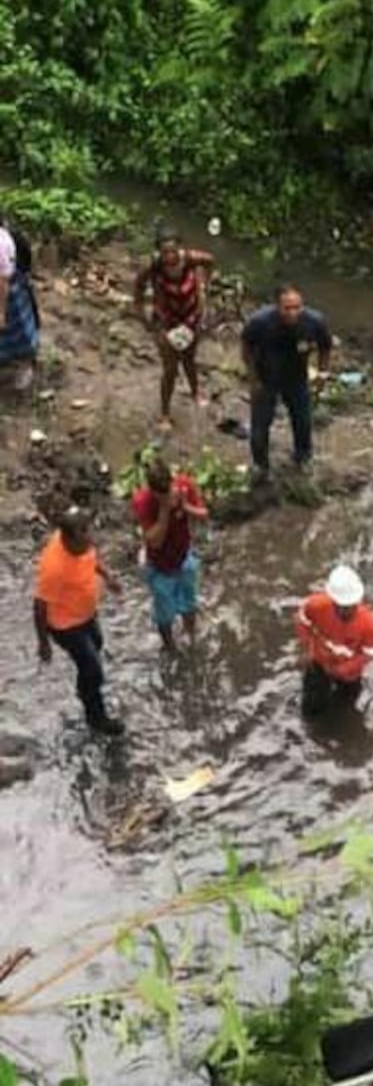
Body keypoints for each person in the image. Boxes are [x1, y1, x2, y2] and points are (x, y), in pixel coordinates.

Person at [34, 508, 124, 736]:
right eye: (83, 533)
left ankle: (85, 687)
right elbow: (40, 606)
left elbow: (91, 558)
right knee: (93, 669)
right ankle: (97, 718)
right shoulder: (54, 568)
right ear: (68, 538)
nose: (89, 537)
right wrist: (44, 644)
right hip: (65, 625)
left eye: (88, 530)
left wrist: (107, 576)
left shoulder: (82, 543)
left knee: (97, 643)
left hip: (86, 613)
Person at [241, 284, 332, 477]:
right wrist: (253, 378)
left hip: (296, 378)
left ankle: (303, 458)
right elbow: (246, 348)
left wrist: (323, 374)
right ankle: (260, 465)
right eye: (287, 308)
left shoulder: (314, 321)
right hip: (266, 378)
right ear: (276, 306)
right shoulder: (260, 322)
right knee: (260, 426)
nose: (293, 313)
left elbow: (325, 347)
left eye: (297, 307)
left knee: (303, 422)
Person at [133, 230, 215, 429]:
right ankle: (165, 413)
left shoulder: (192, 259)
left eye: (173, 251)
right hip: (165, 319)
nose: (170, 256)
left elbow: (210, 261)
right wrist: (142, 316)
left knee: (190, 358)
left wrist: (204, 282)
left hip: (191, 315)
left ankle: (196, 392)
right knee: (170, 368)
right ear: (159, 252)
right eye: (165, 252)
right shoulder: (153, 267)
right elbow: (138, 289)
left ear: (180, 248)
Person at [130, 453, 208, 648]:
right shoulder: (143, 502)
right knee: (164, 614)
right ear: (152, 490)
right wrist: (164, 510)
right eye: (161, 493)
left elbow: (204, 515)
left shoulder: (184, 486)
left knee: (189, 604)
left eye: (169, 489)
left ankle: (191, 638)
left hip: (183, 558)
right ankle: (170, 646)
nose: (167, 495)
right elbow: (154, 542)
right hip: (159, 567)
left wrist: (185, 506)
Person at [295, 563, 373, 714]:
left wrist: (344, 669)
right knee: (310, 706)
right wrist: (306, 649)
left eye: (349, 606)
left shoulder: (369, 623)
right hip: (319, 663)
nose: (345, 611)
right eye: (340, 606)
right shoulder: (316, 605)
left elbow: (369, 653)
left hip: (349, 674)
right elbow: (302, 620)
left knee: (345, 706)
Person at [0, 211, 39, 392]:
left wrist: (0, 311)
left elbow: (3, 281)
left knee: (18, 331)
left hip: (8, 290)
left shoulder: (2, 242)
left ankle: (25, 366)